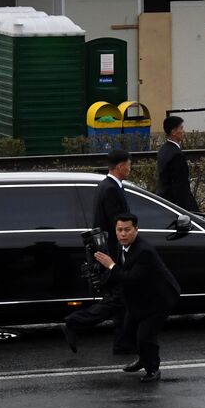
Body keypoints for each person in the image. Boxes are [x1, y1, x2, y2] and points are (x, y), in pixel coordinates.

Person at [63, 150, 135, 354]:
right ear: (121, 166)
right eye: (129, 165)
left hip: (110, 253)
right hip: (112, 254)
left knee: (121, 300)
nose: (130, 169)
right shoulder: (111, 189)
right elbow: (117, 225)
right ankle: (74, 322)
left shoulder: (106, 185)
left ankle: (122, 345)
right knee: (118, 300)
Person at [94, 213, 180, 382]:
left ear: (136, 230)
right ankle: (143, 359)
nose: (123, 234)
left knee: (145, 336)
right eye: (120, 230)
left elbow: (131, 278)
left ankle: (153, 369)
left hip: (159, 299)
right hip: (140, 297)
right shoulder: (122, 246)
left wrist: (110, 265)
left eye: (127, 230)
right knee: (129, 329)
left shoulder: (144, 251)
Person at [155, 115, 199, 211]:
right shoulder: (176, 155)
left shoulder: (163, 150)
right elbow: (180, 186)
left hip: (165, 201)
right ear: (173, 132)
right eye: (181, 128)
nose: (183, 131)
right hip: (177, 205)